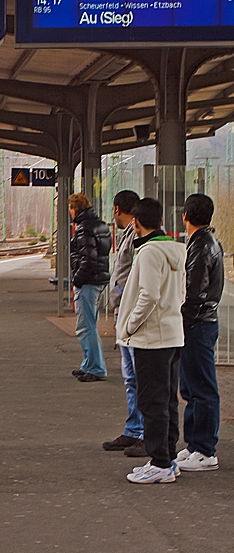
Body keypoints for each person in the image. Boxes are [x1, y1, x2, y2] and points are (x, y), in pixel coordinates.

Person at [117, 198, 186, 484]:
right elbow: (181, 293)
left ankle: (159, 463)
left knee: (151, 402)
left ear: (135, 222)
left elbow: (148, 295)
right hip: (172, 334)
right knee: (167, 400)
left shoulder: (148, 253)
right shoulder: (177, 250)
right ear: (161, 221)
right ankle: (168, 458)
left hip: (150, 339)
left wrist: (130, 325)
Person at [176, 193, 223, 472]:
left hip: (198, 323)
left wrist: (184, 322)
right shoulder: (209, 242)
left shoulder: (200, 246)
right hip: (203, 321)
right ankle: (195, 444)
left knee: (202, 387)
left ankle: (205, 450)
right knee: (192, 386)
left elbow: (195, 292)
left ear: (185, 215)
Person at [102, 190, 146, 456]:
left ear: (117, 209)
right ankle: (134, 429)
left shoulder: (137, 235)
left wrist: (125, 303)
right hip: (123, 311)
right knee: (130, 376)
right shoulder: (130, 233)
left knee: (139, 376)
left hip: (131, 314)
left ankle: (143, 433)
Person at [69, 193, 112, 382]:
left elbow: (88, 259)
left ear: (74, 209)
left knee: (85, 327)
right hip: (99, 279)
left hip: (88, 282)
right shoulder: (100, 224)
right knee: (90, 324)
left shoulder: (84, 228)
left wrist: (77, 279)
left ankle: (95, 368)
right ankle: (88, 364)